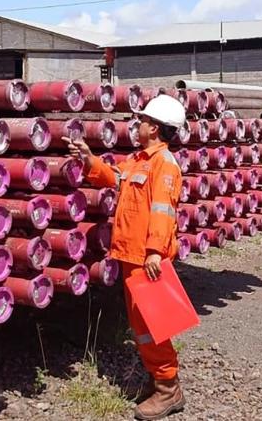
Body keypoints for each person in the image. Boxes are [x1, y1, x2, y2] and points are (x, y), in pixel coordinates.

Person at [65, 94, 186, 420]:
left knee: (154, 324)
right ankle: (156, 378)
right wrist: (89, 159)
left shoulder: (165, 164)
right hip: (130, 255)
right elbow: (113, 177)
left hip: (147, 258)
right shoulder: (139, 160)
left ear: (157, 129)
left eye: (144, 121)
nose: (138, 125)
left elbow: (163, 212)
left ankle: (168, 389)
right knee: (141, 326)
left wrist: (155, 252)